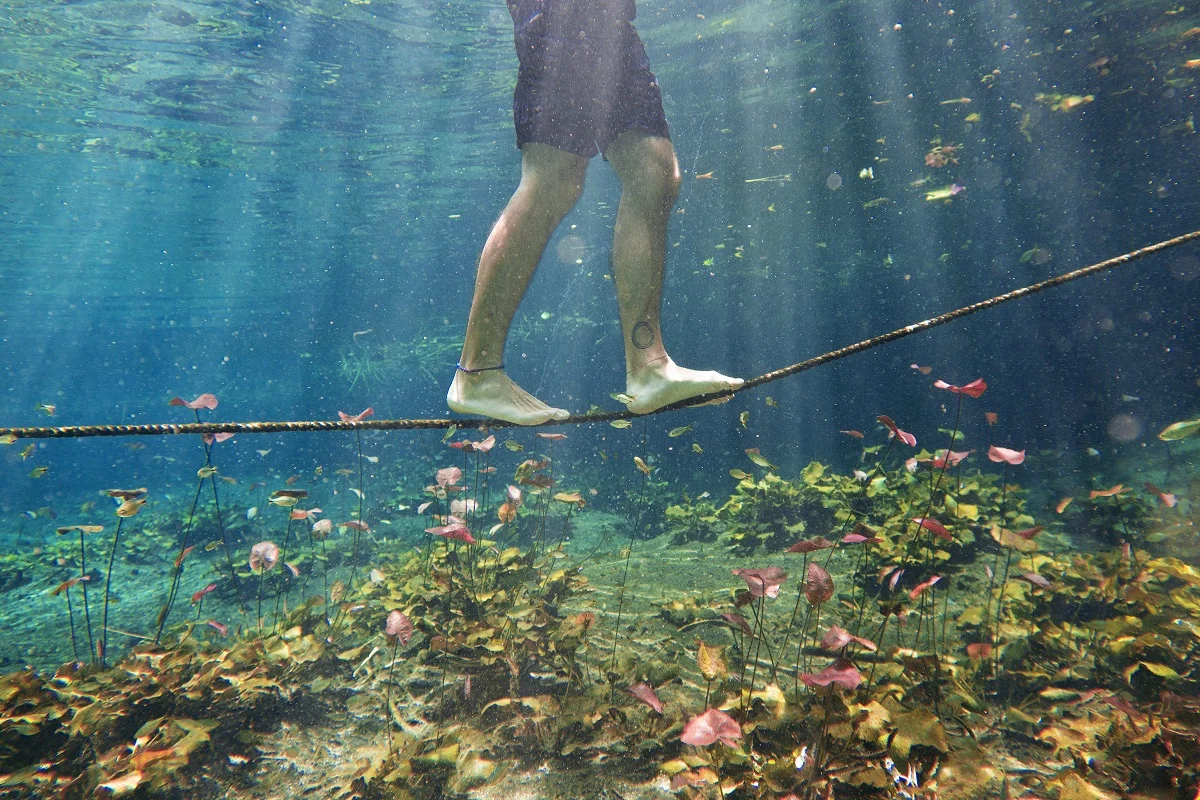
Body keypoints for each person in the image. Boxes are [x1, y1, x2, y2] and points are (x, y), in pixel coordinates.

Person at [447, 0, 742, 426]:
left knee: (653, 169)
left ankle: (650, 368)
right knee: (553, 179)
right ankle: (477, 372)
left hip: (611, 20)